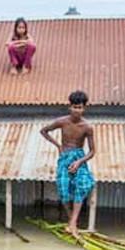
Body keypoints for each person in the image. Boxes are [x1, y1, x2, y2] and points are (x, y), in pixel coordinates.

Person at [40, 91, 96, 238]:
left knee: (82, 183)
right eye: (75, 107)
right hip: (64, 157)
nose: (77, 110)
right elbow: (44, 131)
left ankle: (72, 223)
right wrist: (58, 145)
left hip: (78, 156)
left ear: (84, 108)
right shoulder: (62, 121)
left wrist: (79, 162)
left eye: (80, 107)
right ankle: (72, 222)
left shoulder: (87, 127)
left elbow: (92, 151)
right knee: (63, 190)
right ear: (70, 107)